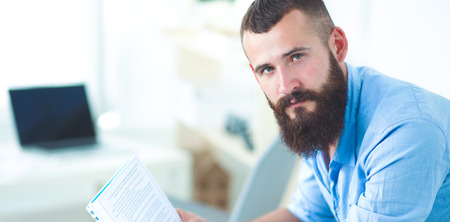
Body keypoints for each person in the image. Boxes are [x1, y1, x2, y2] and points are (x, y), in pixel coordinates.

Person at [178, 0, 450, 221]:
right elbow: (305, 215)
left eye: (296, 57)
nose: (286, 86)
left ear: (338, 46)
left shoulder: (404, 132)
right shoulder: (320, 113)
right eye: (268, 69)